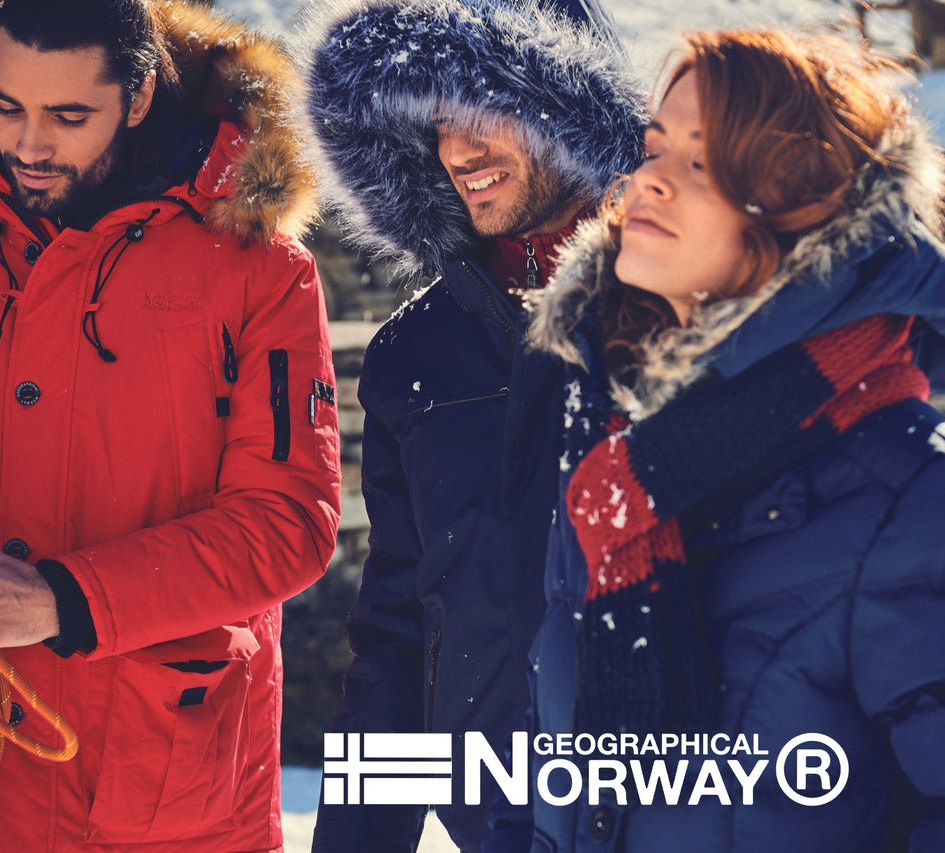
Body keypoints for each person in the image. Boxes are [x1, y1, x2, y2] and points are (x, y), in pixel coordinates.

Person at [511, 29, 945, 852]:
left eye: (702, 162)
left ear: (802, 209)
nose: (650, 180)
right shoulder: (614, 465)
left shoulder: (922, 501)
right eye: (653, 149)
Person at [0, 0, 341, 849]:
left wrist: (64, 599)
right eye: (7, 108)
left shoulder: (262, 272)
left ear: (140, 96)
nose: (29, 144)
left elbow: (286, 525)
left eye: (68, 116)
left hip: (164, 796)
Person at [299, 0, 644, 850]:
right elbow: (398, 631)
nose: (458, 151)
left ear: (569, 104)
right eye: (438, 122)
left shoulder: (688, 311)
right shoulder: (413, 354)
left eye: (485, 108)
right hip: (496, 823)